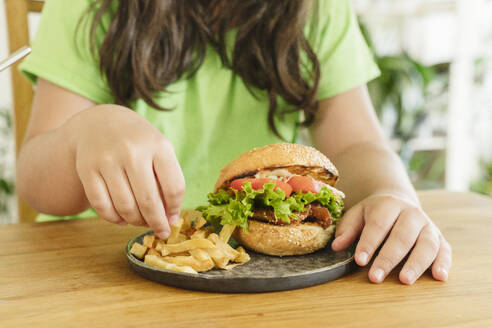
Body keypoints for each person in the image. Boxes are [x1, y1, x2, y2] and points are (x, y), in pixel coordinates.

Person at [17, 0, 451, 285]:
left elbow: (355, 144)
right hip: (100, 274)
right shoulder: (87, 6)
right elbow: (36, 183)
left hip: (270, 289)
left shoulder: (316, 7)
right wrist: (84, 132)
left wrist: (390, 192)